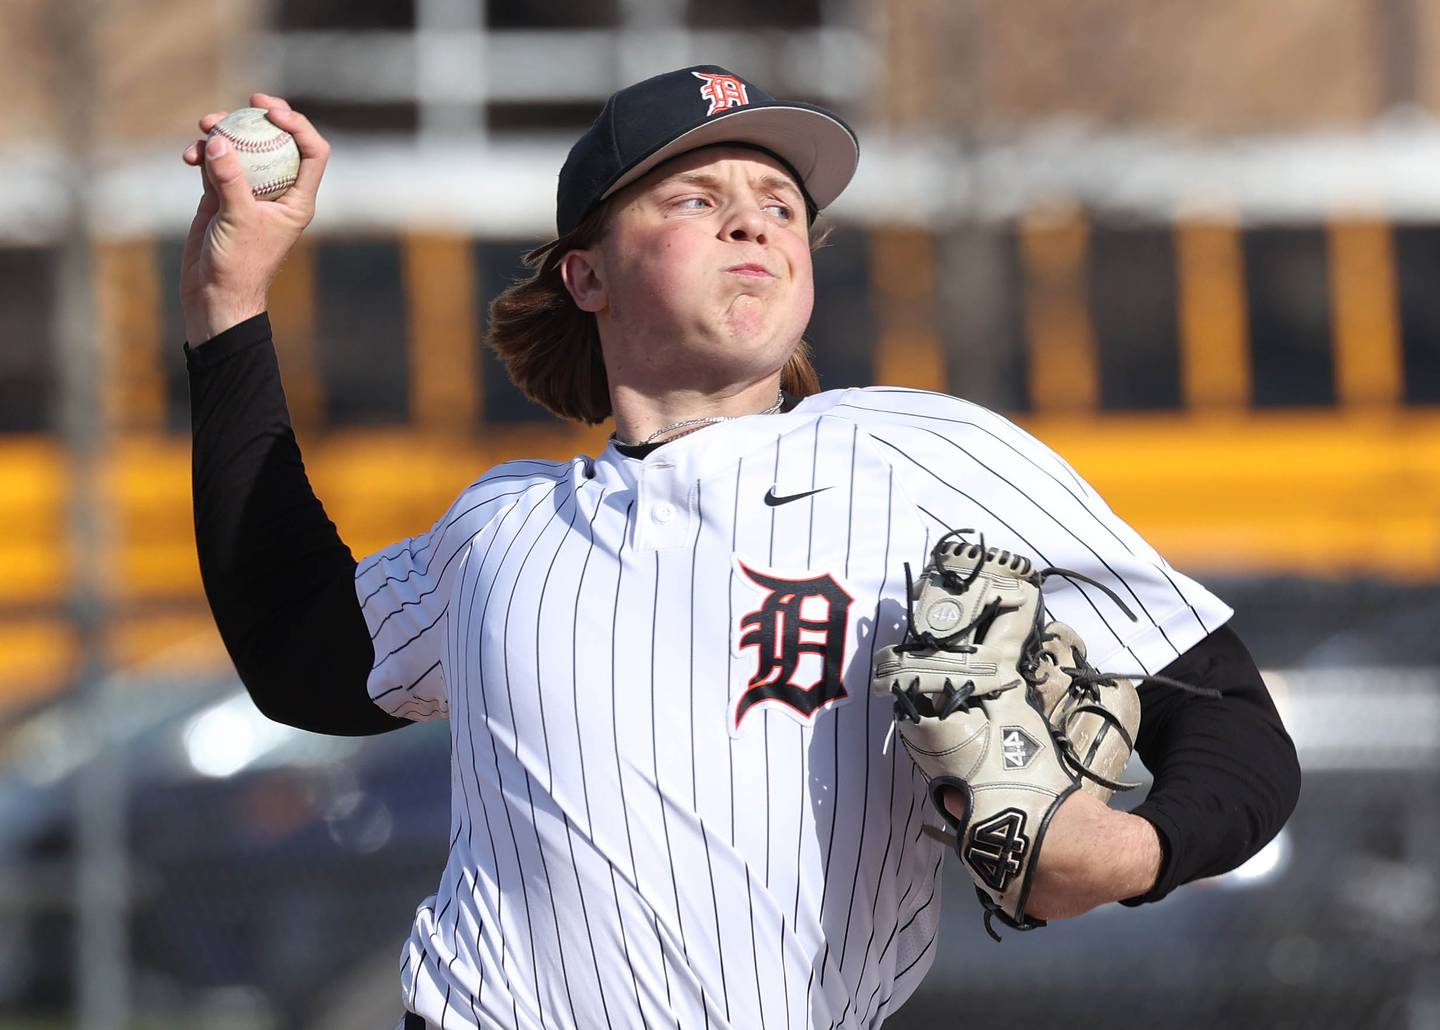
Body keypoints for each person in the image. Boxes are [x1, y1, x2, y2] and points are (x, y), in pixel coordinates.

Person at [182, 67, 1300, 1030]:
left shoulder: (925, 456)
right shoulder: (502, 526)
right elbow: (299, 651)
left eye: (779, 202)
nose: (754, 220)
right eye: (695, 196)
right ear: (588, 274)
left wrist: (1133, 853)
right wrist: (228, 297)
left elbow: (1233, 722)